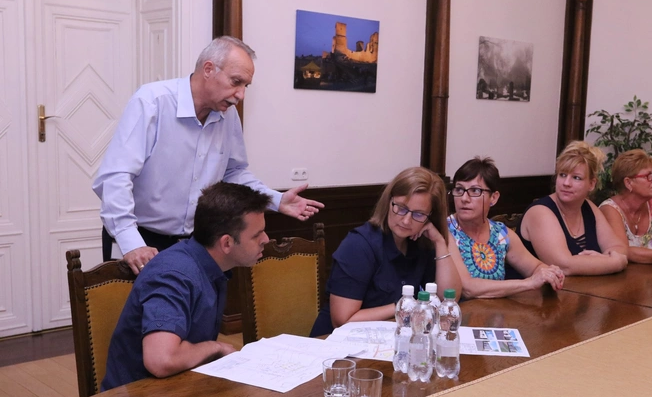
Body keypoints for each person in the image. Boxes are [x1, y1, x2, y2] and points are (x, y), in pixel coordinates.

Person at [93, 36, 323, 275]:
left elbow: (233, 173)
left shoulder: (228, 115)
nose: (241, 95)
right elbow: (116, 176)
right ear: (209, 69)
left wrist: (275, 199)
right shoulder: (152, 101)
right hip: (142, 240)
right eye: (236, 82)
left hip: (198, 242)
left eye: (246, 86)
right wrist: (131, 242)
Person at [100, 181, 271, 391]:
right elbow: (161, 360)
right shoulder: (174, 274)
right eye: (257, 235)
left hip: (180, 389)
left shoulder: (210, 266)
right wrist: (215, 347)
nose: (266, 239)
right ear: (226, 243)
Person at [309, 167, 462, 337]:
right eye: (401, 208)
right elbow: (342, 320)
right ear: (389, 202)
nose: (406, 220)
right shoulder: (358, 245)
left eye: (418, 214)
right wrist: (403, 306)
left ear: (430, 217)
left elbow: (449, 298)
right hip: (334, 342)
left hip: (389, 338)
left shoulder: (420, 243)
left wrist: (439, 241)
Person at [446, 157, 564, 298]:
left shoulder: (500, 234)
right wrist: (528, 283)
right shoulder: (445, 231)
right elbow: (467, 287)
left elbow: (536, 268)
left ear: (494, 198)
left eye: (475, 191)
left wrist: (551, 273)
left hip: (498, 311)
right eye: (459, 189)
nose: (464, 198)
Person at [517, 141, 628, 276]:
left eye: (576, 178)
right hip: (533, 289)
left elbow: (619, 248)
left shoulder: (588, 207)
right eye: (562, 175)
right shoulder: (540, 212)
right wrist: (614, 263)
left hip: (585, 287)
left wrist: (605, 259)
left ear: (591, 184)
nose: (566, 183)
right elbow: (563, 266)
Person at [599, 150, 652, 264]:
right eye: (648, 176)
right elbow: (622, 251)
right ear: (628, 183)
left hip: (649, 274)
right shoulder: (609, 209)